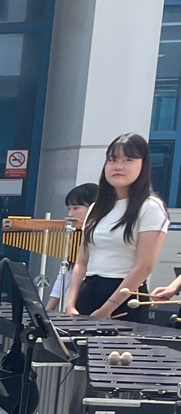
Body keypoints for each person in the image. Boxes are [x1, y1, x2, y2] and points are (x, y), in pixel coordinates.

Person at [65, 133, 167, 320]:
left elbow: (144, 266)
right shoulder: (97, 207)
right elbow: (82, 261)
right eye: (112, 160)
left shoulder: (151, 207)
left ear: (143, 164)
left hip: (124, 299)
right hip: (88, 291)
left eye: (128, 159)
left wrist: (107, 308)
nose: (118, 166)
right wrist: (70, 302)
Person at [45, 183, 97, 311]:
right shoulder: (76, 234)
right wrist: (47, 311)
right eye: (69, 209)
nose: (70, 214)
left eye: (76, 208)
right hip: (82, 300)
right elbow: (67, 272)